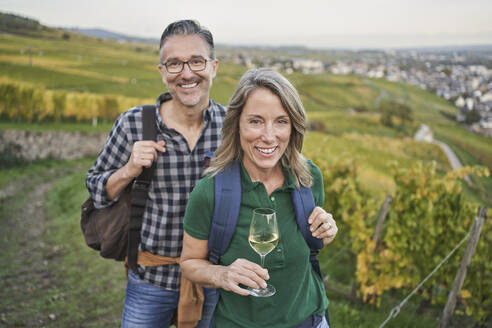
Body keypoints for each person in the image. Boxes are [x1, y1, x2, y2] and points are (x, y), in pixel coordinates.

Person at [86, 20, 225, 328]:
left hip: (214, 279)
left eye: (197, 61)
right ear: (162, 72)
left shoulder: (231, 126)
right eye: (174, 63)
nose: (187, 73)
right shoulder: (134, 124)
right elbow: (95, 189)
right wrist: (128, 170)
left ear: (214, 67)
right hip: (151, 280)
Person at [180, 68, 338, 328]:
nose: (268, 135)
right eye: (255, 121)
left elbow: (308, 246)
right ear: (237, 124)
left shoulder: (308, 177)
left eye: (281, 121)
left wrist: (327, 230)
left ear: (293, 126)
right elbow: (189, 263)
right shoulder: (210, 191)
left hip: (310, 321)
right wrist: (222, 274)